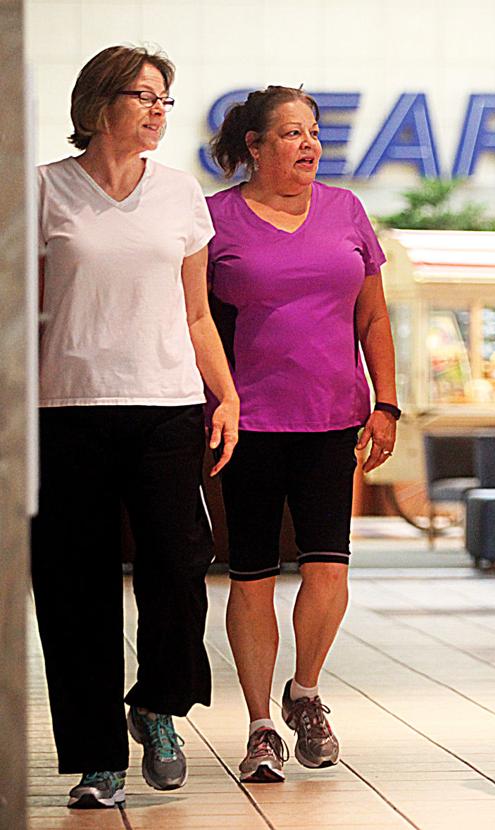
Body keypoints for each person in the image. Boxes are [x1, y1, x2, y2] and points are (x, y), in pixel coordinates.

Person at [33, 45, 240, 809]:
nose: (158, 110)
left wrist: (226, 395)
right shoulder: (43, 192)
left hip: (167, 405)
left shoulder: (182, 194)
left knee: (180, 569)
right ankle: (96, 759)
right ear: (99, 103)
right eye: (144, 96)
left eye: (165, 99)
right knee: (72, 585)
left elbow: (196, 312)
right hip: (67, 407)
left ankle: (157, 703)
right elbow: (23, 313)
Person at [206, 85, 398, 783]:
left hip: (333, 418)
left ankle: (305, 692)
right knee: (251, 575)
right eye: (290, 134)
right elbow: (194, 326)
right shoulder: (214, 220)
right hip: (246, 422)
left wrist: (388, 405)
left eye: (313, 133)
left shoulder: (347, 211)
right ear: (253, 147)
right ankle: (260, 725)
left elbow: (374, 318)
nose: (308, 145)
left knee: (328, 568)